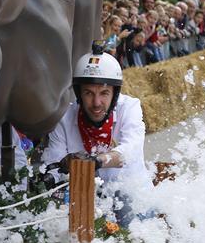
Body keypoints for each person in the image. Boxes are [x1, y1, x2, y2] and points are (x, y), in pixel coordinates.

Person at [42, 43, 152, 225]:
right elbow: (52, 164)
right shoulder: (64, 118)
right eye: (88, 93)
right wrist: (59, 167)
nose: (96, 102)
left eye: (104, 93)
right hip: (87, 200)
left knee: (124, 202)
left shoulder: (130, 107)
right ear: (78, 94)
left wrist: (98, 161)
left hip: (132, 199)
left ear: (115, 94)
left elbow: (130, 150)